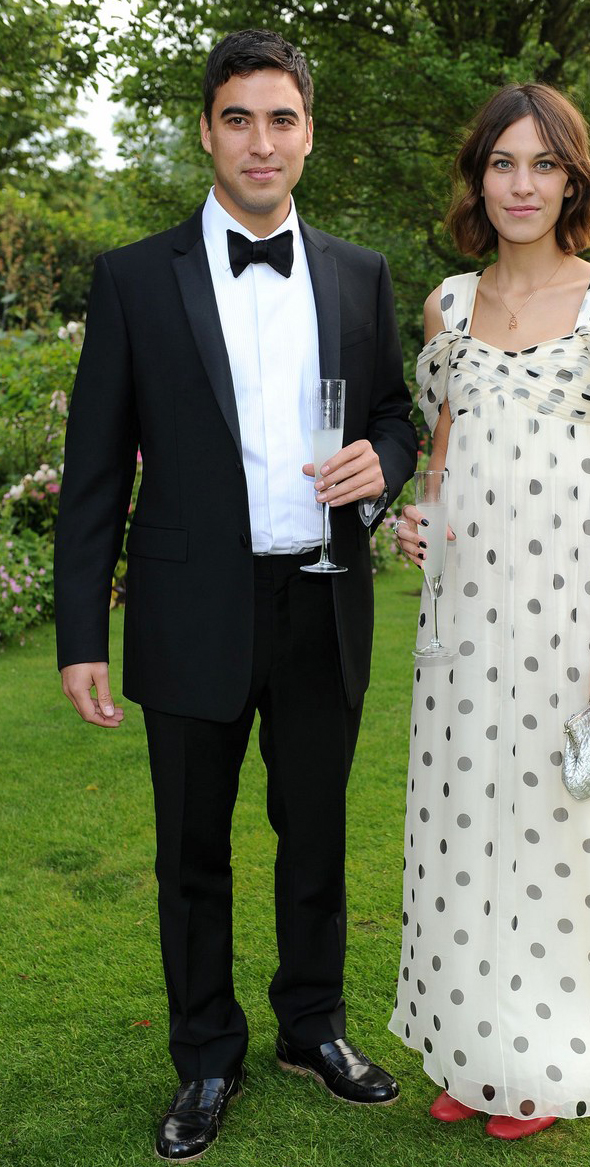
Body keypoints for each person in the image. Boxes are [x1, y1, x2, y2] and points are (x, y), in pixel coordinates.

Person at [54, 28, 416, 1162]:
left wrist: (384, 465)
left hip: (324, 599)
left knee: (315, 838)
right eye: (239, 118)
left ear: (309, 133)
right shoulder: (131, 278)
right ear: (207, 131)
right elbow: (97, 468)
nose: (262, 142)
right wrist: (80, 634)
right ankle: (206, 1056)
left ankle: (314, 1029)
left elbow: (397, 414)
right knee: (190, 852)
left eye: (283, 119)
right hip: (187, 608)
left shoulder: (360, 272)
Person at [389, 82, 590, 1140]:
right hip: (463, 623)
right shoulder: (448, 308)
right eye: (502, 163)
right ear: (479, 179)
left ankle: (551, 1062)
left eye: (541, 164)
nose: (520, 183)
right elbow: (446, 459)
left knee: (560, 832)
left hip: (567, 620)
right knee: (466, 828)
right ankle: (475, 1044)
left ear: (571, 179)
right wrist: (418, 517)